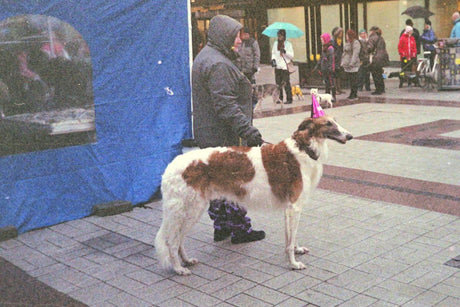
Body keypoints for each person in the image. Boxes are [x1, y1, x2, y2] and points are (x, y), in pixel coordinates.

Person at [192, 15, 265, 244]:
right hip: (222, 135)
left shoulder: (208, 56)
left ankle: (221, 226)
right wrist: (248, 131)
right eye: (235, 35)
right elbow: (226, 106)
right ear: (223, 35)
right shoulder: (219, 64)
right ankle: (240, 230)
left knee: (216, 183)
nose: (239, 40)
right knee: (233, 183)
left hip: (210, 133)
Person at [235, 27, 260, 108]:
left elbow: (257, 55)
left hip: (250, 69)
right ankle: (244, 102)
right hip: (241, 69)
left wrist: (255, 67)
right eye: (243, 34)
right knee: (242, 87)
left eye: (246, 34)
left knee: (251, 86)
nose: (245, 36)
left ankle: (253, 102)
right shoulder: (240, 42)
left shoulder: (253, 43)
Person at [271, 29, 294, 104]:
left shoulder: (288, 44)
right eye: (278, 36)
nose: (279, 37)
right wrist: (273, 59)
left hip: (285, 66)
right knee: (278, 84)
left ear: (284, 36)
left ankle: (289, 98)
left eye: (281, 36)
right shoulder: (275, 44)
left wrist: (285, 52)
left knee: (286, 83)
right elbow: (273, 53)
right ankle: (279, 98)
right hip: (278, 66)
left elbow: (291, 56)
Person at [367, 26, 389, 95]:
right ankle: (382, 88)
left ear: (372, 31)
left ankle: (378, 90)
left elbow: (370, 48)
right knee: (379, 73)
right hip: (382, 57)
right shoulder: (381, 37)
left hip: (376, 57)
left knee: (375, 74)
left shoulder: (372, 37)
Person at [341, 29, 361, 100]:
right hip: (347, 64)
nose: (346, 36)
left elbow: (355, 54)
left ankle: (354, 94)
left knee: (354, 80)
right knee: (350, 80)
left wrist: (352, 63)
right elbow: (344, 53)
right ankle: (351, 93)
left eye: (347, 35)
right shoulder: (347, 42)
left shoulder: (355, 43)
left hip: (353, 65)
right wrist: (343, 62)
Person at [317, 32, 336, 102]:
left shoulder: (330, 48)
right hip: (324, 68)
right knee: (326, 83)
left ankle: (333, 96)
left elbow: (331, 59)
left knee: (331, 83)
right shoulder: (324, 48)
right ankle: (327, 95)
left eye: (322, 39)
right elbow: (322, 57)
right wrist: (318, 65)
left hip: (329, 69)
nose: (321, 41)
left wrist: (330, 68)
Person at [331, 27, 344, 94]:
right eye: (340, 33)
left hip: (339, 59)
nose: (341, 34)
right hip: (335, 60)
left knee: (338, 74)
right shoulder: (333, 41)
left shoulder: (340, 41)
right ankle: (335, 89)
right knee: (335, 74)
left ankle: (339, 88)